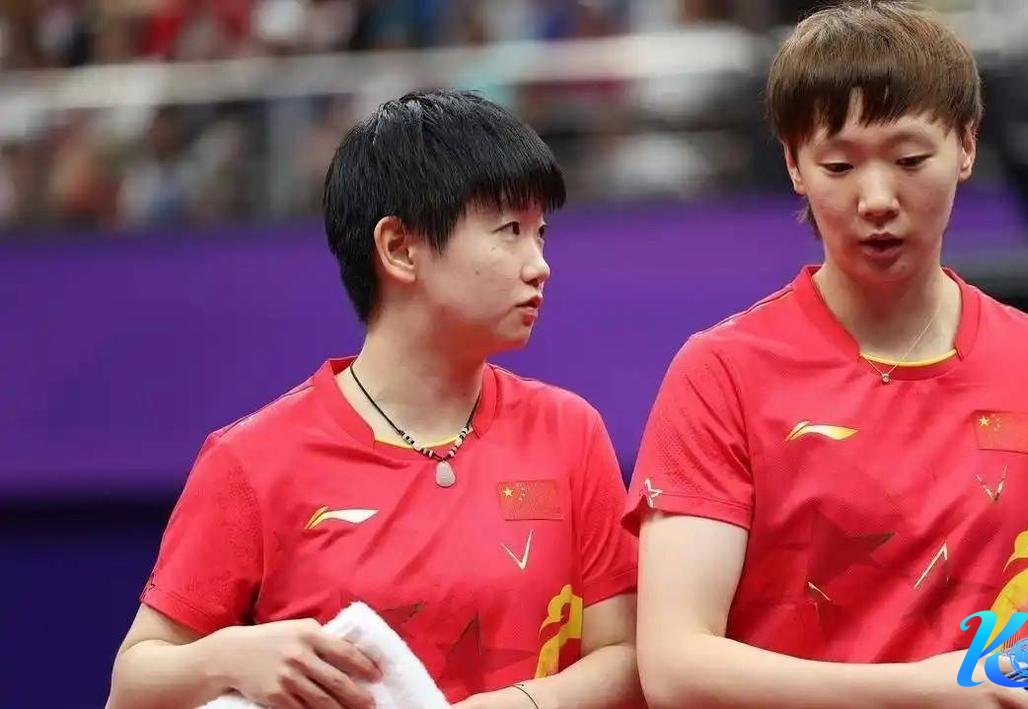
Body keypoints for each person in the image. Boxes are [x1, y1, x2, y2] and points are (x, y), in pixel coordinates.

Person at [621, 2, 1028, 707]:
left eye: (911, 159)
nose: (877, 199)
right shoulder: (721, 373)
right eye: (838, 165)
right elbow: (676, 666)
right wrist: (928, 693)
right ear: (794, 165)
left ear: (967, 145)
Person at [107, 90, 641, 709]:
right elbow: (131, 687)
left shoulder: (569, 431)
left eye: (541, 233)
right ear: (399, 249)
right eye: (510, 231)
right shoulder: (250, 460)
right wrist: (230, 656)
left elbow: (626, 658)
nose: (539, 265)